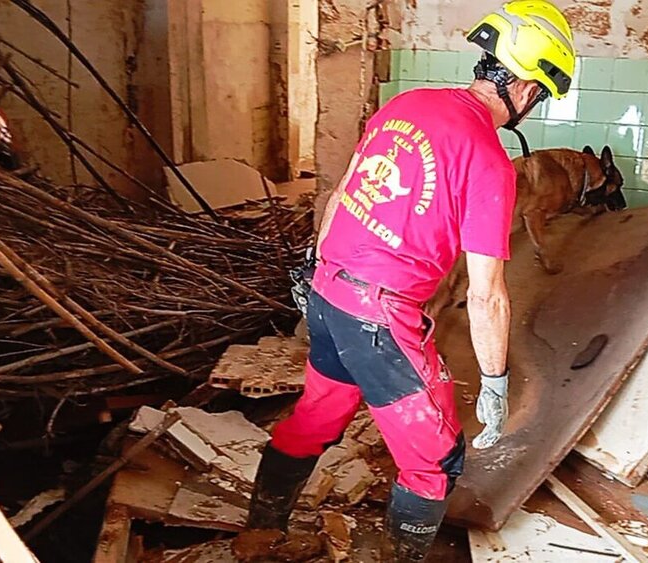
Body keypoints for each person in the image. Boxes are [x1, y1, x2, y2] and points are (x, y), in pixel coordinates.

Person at [242, 2, 576, 560]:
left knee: (316, 417)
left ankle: (258, 531)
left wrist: (317, 264)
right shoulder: (490, 162)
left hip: (328, 294)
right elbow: (488, 293)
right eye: (539, 91)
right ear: (522, 85)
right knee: (437, 459)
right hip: (379, 318)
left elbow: (346, 190)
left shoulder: (408, 104)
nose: (534, 103)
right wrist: (494, 381)